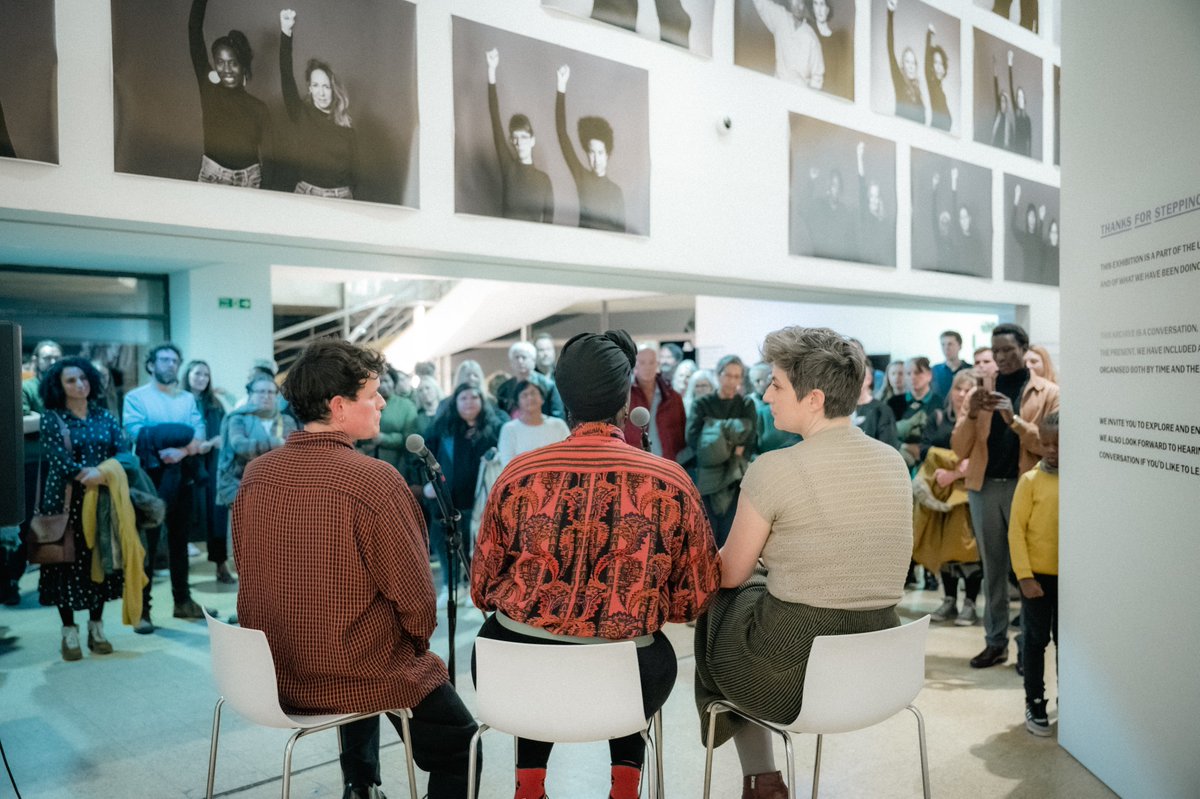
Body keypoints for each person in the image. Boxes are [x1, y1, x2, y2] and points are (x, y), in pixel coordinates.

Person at [471, 329, 720, 799]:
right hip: (627, 679)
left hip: (516, 676)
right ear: (626, 399)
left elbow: (482, 587)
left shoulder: (519, 474)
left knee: (534, 638)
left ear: (563, 398)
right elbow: (696, 599)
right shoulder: (668, 480)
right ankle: (624, 785)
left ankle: (529, 785)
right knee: (626, 645)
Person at [232, 340, 477, 799]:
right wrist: (414, 644)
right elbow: (417, 605)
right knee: (463, 744)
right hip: (352, 672)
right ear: (339, 406)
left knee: (353, 628)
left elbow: (247, 570)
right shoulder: (374, 480)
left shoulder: (258, 474)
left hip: (275, 670)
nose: (383, 402)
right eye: (373, 395)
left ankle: (359, 786)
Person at [694, 327, 912, 798]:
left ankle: (761, 776)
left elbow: (728, 572)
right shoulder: (893, 460)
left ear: (813, 398)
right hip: (883, 666)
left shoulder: (774, 467)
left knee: (718, 608)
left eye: (775, 384)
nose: (766, 393)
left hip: (791, 672)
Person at [952, 323, 1059, 669]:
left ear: (1025, 349)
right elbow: (958, 448)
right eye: (994, 351)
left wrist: (1012, 420)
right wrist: (971, 413)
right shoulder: (978, 393)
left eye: (1007, 350)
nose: (1000, 357)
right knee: (993, 569)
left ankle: (1029, 647)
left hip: (1026, 487)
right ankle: (995, 641)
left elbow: (1047, 446)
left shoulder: (1049, 393)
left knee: (1026, 572)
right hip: (984, 487)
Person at [36, 357, 144, 661]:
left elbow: (124, 454)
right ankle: (68, 631)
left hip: (104, 503)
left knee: (101, 562)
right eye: (71, 380)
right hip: (66, 504)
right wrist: (91, 474)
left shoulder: (104, 416)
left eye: (83, 378)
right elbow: (58, 459)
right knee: (64, 565)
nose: (79, 384)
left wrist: (104, 472)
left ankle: (97, 629)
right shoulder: (52, 418)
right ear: (59, 385)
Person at [123, 343, 208, 631]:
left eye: (174, 360)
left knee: (179, 543)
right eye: (164, 360)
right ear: (151, 365)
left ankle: (182, 602)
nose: (170, 364)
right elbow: (137, 432)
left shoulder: (186, 399)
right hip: (150, 478)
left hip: (182, 473)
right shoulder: (136, 397)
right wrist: (179, 438)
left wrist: (182, 451)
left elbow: (199, 436)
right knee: (147, 546)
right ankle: (142, 611)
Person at [423, 383, 503, 597]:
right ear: (455, 402)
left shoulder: (495, 428)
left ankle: (472, 585)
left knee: (474, 544)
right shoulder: (443, 428)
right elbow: (424, 459)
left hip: (480, 500)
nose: (469, 402)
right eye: (464, 398)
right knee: (445, 543)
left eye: (474, 397)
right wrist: (428, 483)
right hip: (448, 498)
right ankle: (450, 585)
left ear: (482, 401)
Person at [915, 369, 982, 624]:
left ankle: (970, 603)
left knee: (967, 549)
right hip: (939, 492)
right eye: (958, 388)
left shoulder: (980, 419)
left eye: (968, 389)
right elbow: (924, 449)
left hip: (966, 493)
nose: (962, 394)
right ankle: (949, 600)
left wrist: (954, 473)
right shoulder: (938, 416)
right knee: (943, 547)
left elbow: (978, 456)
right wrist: (950, 468)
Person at [1008, 411, 1059, 736]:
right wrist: (1024, 577)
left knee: (1067, 644)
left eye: (1059, 444)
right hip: (1037, 579)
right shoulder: (1030, 481)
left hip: (1074, 581)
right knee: (1036, 641)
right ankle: (1035, 700)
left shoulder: (1084, 482)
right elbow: (1016, 532)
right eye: (1045, 443)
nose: (1052, 449)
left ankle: (1073, 699)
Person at [5, 340, 63, 605]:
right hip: (30, 466)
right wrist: (51, 420)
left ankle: (48, 584)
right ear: (36, 360)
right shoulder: (26, 388)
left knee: (53, 526)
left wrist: (42, 419)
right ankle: (10, 581)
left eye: (56, 357)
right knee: (26, 525)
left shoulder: (66, 387)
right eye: (46, 357)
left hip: (60, 466)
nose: (52, 362)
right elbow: (18, 423)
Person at [189, 0, 268, 187]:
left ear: (243, 66)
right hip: (212, 176)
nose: (227, 69)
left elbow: (272, 159)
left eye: (233, 62)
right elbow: (194, 29)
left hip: (249, 181)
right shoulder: (209, 89)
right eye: (220, 62)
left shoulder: (259, 108)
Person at [279, 9, 357, 198]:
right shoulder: (300, 112)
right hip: (307, 194)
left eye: (326, 86)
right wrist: (286, 33)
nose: (321, 92)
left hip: (342, 197)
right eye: (316, 85)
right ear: (310, 89)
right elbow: (286, 75)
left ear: (333, 89)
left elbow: (355, 172)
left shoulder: (345, 124)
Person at [686, 356, 757, 546]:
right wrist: (731, 442)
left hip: (735, 477)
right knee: (707, 534)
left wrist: (715, 434)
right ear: (718, 375)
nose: (732, 381)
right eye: (728, 375)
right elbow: (694, 439)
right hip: (708, 475)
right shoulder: (702, 404)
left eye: (737, 376)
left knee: (731, 533)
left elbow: (750, 440)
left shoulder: (746, 405)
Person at [485, 48, 554, 223]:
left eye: (523, 137)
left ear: (532, 141)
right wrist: (491, 70)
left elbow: (550, 228)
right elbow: (495, 118)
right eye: (515, 138)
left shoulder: (544, 180)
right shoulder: (509, 168)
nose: (519, 142)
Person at [556, 64, 626, 232]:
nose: (595, 158)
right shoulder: (582, 177)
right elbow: (562, 133)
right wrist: (561, 87)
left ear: (608, 154)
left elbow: (622, 236)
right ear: (587, 153)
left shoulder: (616, 192)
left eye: (600, 153)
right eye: (591, 152)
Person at [216, 374, 298, 517]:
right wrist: (275, 443)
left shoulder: (286, 420)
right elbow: (240, 446)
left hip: (279, 491)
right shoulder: (237, 418)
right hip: (241, 488)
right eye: (261, 392)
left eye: (271, 392)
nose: (266, 396)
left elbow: (293, 453)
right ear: (250, 394)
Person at [183, 360, 231, 583]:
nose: (201, 378)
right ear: (188, 375)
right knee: (185, 513)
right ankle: (180, 570)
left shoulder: (215, 403)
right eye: (197, 373)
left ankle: (221, 565)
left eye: (205, 374)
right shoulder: (180, 400)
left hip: (211, 463)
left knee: (216, 513)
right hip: (185, 463)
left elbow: (225, 432)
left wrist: (217, 441)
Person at [622, 347, 685, 460]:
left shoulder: (673, 397)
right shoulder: (625, 396)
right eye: (642, 362)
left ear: (657, 364)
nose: (647, 367)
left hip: (667, 463)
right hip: (635, 462)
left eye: (651, 362)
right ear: (635, 366)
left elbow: (681, 433)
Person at [750, 0, 825, 89]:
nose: (798, 7)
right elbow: (761, 3)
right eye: (795, 1)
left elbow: (817, 78)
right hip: (778, 87)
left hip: (800, 93)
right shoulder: (780, 18)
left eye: (801, 3)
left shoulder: (811, 38)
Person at [496, 380, 569, 467]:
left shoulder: (558, 425)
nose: (530, 398)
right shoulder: (509, 429)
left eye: (533, 393)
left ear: (542, 399)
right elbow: (507, 464)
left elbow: (569, 454)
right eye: (524, 395)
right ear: (517, 402)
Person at [495, 342, 564, 419]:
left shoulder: (549, 386)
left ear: (533, 361)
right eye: (516, 357)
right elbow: (500, 415)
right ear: (511, 362)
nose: (520, 361)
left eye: (524, 357)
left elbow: (558, 415)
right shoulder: (504, 389)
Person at [802, 164, 855, 261]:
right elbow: (804, 208)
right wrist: (811, 181)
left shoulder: (844, 211)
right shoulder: (819, 205)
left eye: (839, 186)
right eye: (834, 185)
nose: (836, 189)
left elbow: (849, 239)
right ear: (828, 187)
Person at [886, 0, 925, 124]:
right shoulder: (899, 80)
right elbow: (890, 49)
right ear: (902, 64)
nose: (911, 66)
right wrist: (890, 13)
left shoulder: (918, 90)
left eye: (913, 63)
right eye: (907, 62)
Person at [855, 142, 893, 266]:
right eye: (871, 196)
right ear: (867, 198)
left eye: (877, 196)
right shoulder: (865, 215)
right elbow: (861, 184)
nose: (874, 200)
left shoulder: (883, 221)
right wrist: (859, 157)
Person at [812, 0, 852, 99]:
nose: (819, 9)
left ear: (828, 9)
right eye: (816, 4)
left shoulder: (836, 40)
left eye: (822, 4)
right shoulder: (809, 32)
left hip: (831, 95)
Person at [852, 366, 899, 449]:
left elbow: (889, 447)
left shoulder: (882, 410)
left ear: (869, 379)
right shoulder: (839, 410)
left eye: (857, 376)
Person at [1011, 182, 1049, 283]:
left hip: (1038, 282)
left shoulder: (1038, 238)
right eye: (1029, 216)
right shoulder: (1024, 238)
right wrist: (1016, 200)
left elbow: (1040, 239)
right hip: (1027, 281)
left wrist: (1041, 219)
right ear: (1027, 218)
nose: (1031, 219)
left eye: (1033, 216)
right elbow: (1013, 227)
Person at [925, 24, 951, 131]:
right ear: (931, 65)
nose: (939, 67)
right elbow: (926, 61)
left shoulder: (940, 88)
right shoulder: (932, 82)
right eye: (935, 63)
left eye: (941, 63)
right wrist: (929, 35)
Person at [932, 330, 972, 399]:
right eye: (943, 344)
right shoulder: (935, 370)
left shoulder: (970, 369)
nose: (946, 348)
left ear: (960, 346)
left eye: (950, 344)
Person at [1008, 51, 1033, 157]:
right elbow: (1010, 85)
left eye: (1021, 96)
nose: (1019, 98)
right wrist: (1010, 64)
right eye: (1018, 96)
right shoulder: (1016, 113)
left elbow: (1029, 139)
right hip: (1015, 151)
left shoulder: (1027, 119)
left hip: (1025, 154)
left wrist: (1029, 157)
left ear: (1024, 99)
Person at [990, 55, 1015, 152]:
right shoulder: (998, 115)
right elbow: (996, 85)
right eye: (1000, 101)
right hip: (995, 148)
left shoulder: (1010, 121)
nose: (1002, 103)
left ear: (1007, 103)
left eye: (1004, 101)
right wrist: (995, 68)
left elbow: (1013, 143)